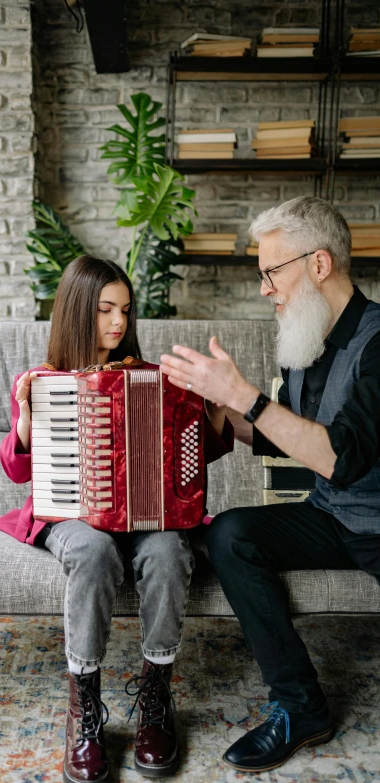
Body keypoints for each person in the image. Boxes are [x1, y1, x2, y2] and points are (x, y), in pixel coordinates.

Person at [0, 255, 234, 783]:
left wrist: (216, 407)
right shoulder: (43, 381)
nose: (118, 323)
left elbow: (201, 450)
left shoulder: (157, 380)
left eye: (125, 310)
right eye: (104, 310)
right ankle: (85, 710)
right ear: (77, 312)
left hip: (147, 514)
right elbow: (15, 468)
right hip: (71, 514)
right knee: (92, 549)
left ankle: (154, 699)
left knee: (170, 550)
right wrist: (28, 418)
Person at [159, 196, 380, 774]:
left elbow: (344, 457)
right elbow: (297, 444)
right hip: (333, 514)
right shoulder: (305, 339)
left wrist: (247, 398)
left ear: (319, 265)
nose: (264, 288)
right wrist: (218, 415)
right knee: (232, 533)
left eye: (271, 272)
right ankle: (299, 705)